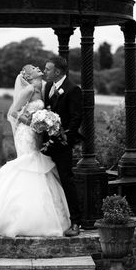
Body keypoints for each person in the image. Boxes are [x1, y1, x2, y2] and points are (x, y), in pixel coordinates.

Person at [0, 64, 70, 238]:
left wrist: (45, 121)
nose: (38, 67)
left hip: (37, 133)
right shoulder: (29, 90)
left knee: (39, 164)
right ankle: (17, 218)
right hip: (26, 134)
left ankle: (42, 215)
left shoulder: (43, 88)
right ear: (28, 75)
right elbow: (12, 112)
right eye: (34, 67)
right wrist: (33, 122)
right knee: (29, 165)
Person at [43, 56, 83, 237]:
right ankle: (51, 218)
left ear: (57, 71)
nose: (45, 72)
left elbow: (76, 118)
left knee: (67, 180)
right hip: (46, 144)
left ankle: (76, 222)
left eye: (48, 69)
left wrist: (65, 136)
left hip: (62, 144)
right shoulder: (48, 88)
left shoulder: (72, 89)